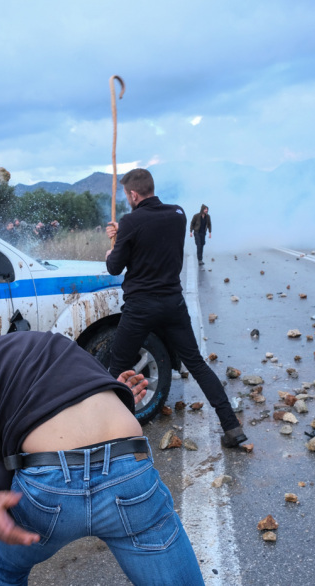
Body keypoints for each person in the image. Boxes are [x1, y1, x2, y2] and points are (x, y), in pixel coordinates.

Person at [0, 306, 206, 586]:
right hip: (128, 469)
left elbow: (3, 451)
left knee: (5, 569)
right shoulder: (41, 339)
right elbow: (93, 389)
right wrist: (119, 396)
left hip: (51, 489)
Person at [105, 169, 247, 448]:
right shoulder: (178, 214)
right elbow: (153, 235)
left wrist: (113, 247)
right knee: (196, 364)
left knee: (116, 369)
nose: (127, 200)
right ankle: (232, 428)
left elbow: (114, 267)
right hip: (173, 304)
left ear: (133, 194)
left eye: (127, 196)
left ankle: (109, 438)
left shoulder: (131, 221)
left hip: (140, 307)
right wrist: (125, 233)